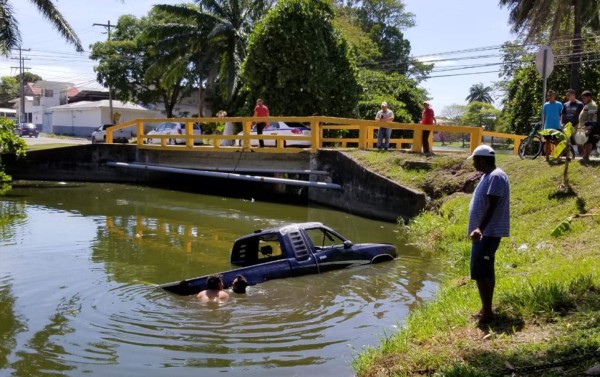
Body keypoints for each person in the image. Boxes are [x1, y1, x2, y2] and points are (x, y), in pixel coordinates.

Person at [467, 145, 510, 324]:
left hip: (488, 233)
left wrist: (480, 228)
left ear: (483, 160)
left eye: (475, 160)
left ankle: (487, 314)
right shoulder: (488, 176)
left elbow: (492, 205)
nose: (474, 164)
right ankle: (486, 309)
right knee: (484, 270)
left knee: (481, 272)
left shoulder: (496, 177)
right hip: (485, 233)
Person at [541, 90, 563, 161]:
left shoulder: (559, 104)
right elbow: (544, 114)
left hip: (557, 126)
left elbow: (561, 114)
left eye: (551, 95)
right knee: (547, 142)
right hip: (547, 126)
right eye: (548, 95)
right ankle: (547, 158)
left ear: (554, 95)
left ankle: (558, 157)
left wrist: (561, 123)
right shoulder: (545, 105)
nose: (549, 97)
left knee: (557, 141)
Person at [579, 90, 599, 163]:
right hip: (585, 126)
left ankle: (586, 157)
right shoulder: (588, 104)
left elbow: (590, 117)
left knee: (588, 142)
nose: (583, 99)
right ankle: (585, 156)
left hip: (590, 126)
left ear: (589, 97)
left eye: (584, 98)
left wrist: (586, 126)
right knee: (584, 142)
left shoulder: (592, 105)